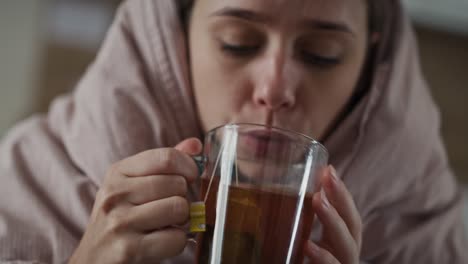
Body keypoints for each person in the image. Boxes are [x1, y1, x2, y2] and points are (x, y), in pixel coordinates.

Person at [0, 0, 466, 263]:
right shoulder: (25, 180)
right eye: (237, 44)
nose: (274, 88)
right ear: (173, 35)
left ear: (371, 61)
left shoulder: (432, 236)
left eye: (323, 53)